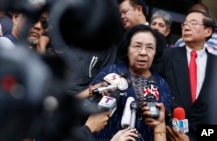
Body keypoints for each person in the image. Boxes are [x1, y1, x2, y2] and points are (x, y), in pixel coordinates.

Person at [91, 24, 171, 141]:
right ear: (127, 49)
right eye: (137, 46)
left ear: (155, 52)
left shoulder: (162, 85)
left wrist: (159, 123)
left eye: (149, 48)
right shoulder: (111, 72)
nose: (143, 52)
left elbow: (163, 126)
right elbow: (88, 104)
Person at [160, 10, 216, 141]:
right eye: (184, 24)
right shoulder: (167, 56)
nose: (186, 26)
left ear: (208, 31)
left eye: (193, 23)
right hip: (168, 133)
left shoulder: (215, 64)